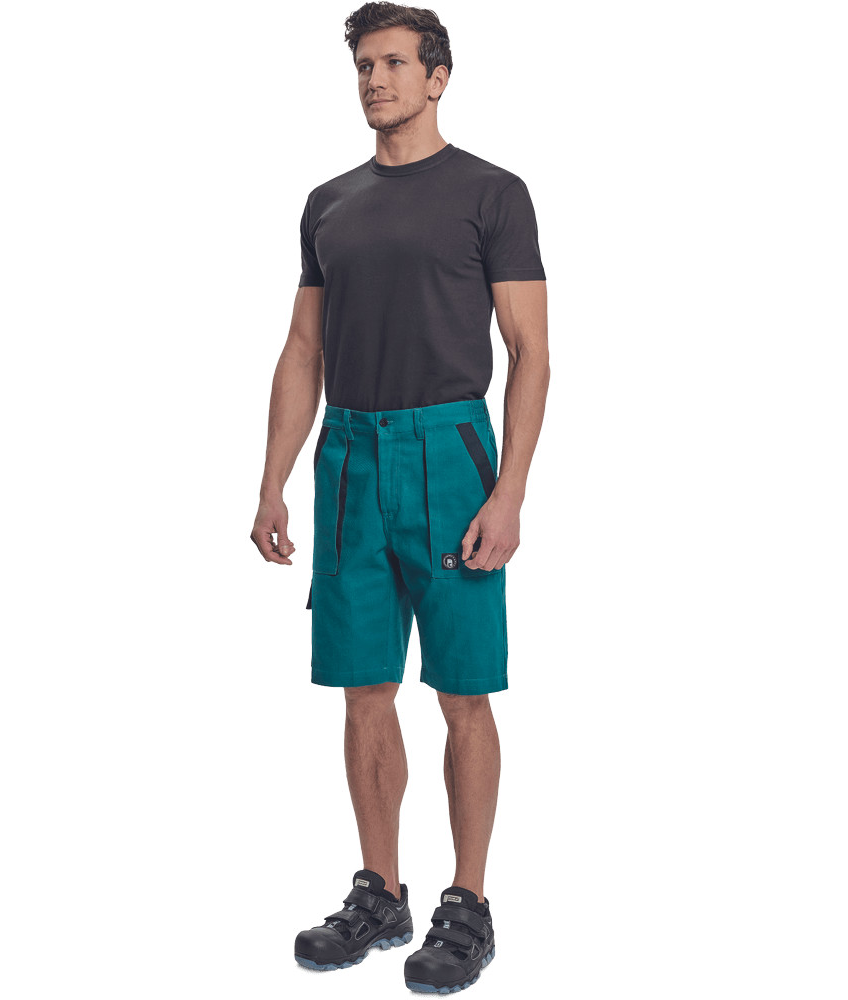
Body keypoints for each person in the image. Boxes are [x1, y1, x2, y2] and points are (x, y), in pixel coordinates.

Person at [251, 2, 549, 992]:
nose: (374, 79)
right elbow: (303, 348)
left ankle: (469, 902)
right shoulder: (327, 203)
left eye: (391, 63)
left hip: (450, 452)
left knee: (463, 689)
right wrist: (272, 482)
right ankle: (380, 892)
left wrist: (509, 493)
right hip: (348, 457)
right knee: (362, 686)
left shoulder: (492, 193)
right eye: (363, 65)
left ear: (437, 76)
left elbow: (532, 352)